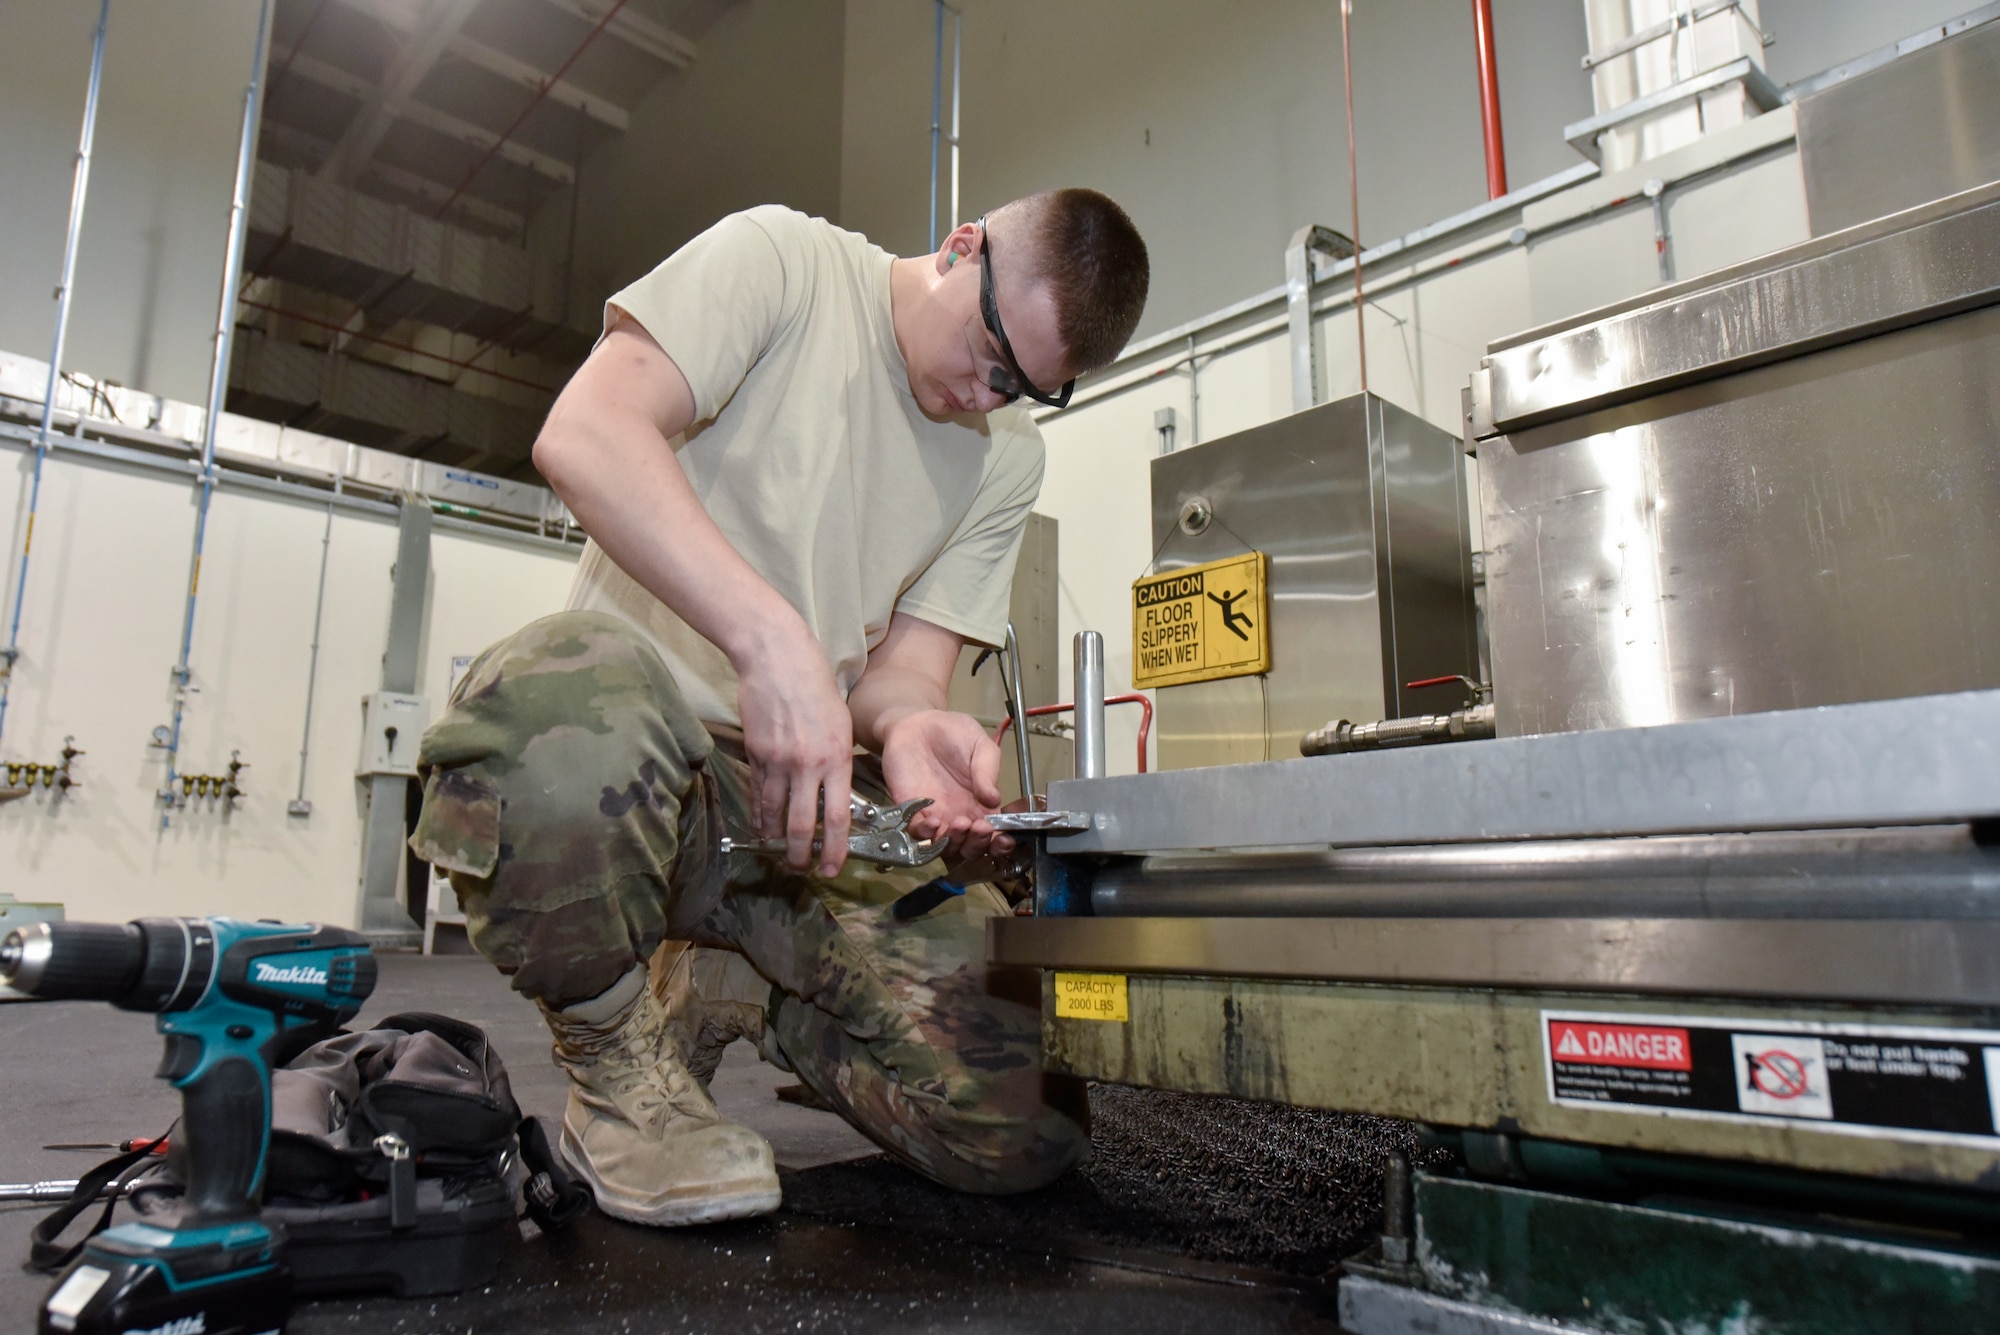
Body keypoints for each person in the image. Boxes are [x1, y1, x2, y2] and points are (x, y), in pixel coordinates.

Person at [411, 190, 1149, 1226]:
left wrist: (909, 729)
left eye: (1029, 388)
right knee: (549, 691)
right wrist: (770, 637)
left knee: (1024, 1122)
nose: (989, 398)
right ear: (958, 247)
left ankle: (734, 988)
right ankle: (617, 1067)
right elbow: (586, 431)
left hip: (801, 807)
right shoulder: (782, 264)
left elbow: (898, 676)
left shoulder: (1004, 456)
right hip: (634, 767)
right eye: (992, 359)